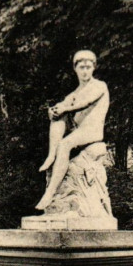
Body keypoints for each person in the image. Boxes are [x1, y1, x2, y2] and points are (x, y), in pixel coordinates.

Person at [35, 50, 109, 210]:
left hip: (92, 132)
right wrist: (54, 111)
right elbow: (63, 106)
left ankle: (50, 193)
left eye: (88, 67)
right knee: (57, 115)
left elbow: (86, 103)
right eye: (81, 67)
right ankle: (51, 154)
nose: (85, 71)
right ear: (75, 69)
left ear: (93, 68)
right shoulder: (74, 94)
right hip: (79, 131)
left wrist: (65, 108)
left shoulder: (99, 86)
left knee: (65, 144)